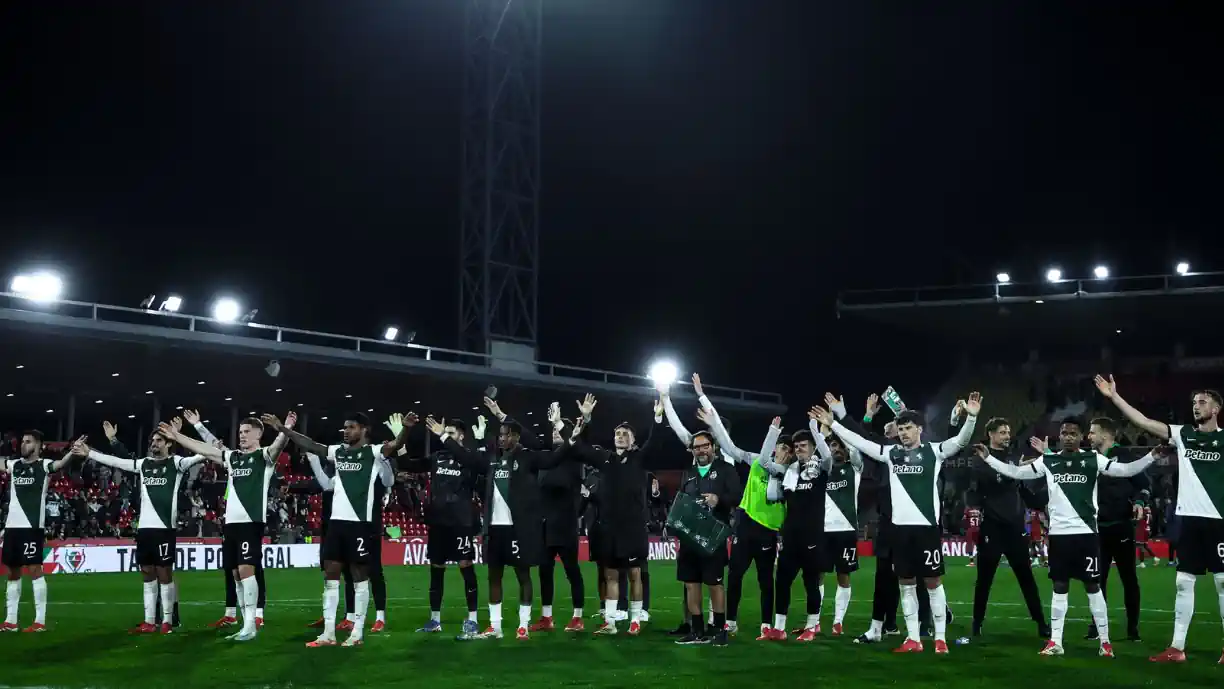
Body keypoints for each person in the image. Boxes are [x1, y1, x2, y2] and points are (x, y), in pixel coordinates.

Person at [974, 417, 1157, 657]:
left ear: (1080, 437)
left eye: (1073, 433)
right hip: (1059, 535)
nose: (1068, 437)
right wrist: (988, 458)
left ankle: (1105, 642)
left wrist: (1152, 456)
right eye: (1064, 433)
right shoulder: (1048, 460)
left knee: (1094, 586)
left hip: (1087, 534)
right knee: (1059, 587)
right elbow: (1017, 472)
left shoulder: (1093, 459)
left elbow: (1125, 470)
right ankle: (1056, 642)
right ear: (1059, 437)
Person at [824, 391, 981, 654]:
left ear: (919, 429)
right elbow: (860, 442)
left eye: (908, 428)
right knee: (905, 584)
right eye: (901, 428)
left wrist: (972, 419)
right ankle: (913, 639)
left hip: (927, 530)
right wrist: (835, 424)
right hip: (899, 531)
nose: (904, 432)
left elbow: (961, 441)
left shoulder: (935, 451)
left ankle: (939, 639)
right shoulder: (890, 453)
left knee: (933, 583)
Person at [1094, 376, 1224, 664]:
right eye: (1193, 403)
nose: (1196, 406)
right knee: (1183, 582)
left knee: (1222, 583)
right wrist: (1115, 397)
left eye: (1202, 402)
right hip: (1189, 520)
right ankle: (1177, 648)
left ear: (1216, 409)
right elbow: (1143, 422)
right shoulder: (1183, 433)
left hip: (1218, 520)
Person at [670, 373, 787, 640]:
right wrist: (689, 399)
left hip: (746, 529)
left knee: (746, 580)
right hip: (725, 529)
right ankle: (709, 626)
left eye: (709, 440)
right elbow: (717, 441)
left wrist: (705, 401)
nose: (703, 447)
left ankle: (746, 625)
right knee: (710, 580)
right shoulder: (694, 469)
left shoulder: (775, 470)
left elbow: (729, 452)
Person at [272, 412, 402, 647]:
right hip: (337, 523)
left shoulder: (372, 453)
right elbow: (311, 445)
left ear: (364, 430)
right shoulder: (338, 452)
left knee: (360, 578)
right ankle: (328, 633)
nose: (345, 431)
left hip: (360, 524)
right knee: (331, 576)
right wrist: (285, 430)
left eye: (351, 427)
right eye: (344, 427)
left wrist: (407, 429)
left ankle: (357, 633)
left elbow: (395, 446)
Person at [72, 425, 207, 634]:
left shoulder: (177, 463)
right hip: (144, 529)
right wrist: (90, 453)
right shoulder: (143, 464)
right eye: (152, 441)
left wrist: (204, 441)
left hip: (165, 529)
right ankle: (149, 621)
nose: (154, 444)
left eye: (159, 441)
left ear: (169, 443)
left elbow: (202, 454)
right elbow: (117, 461)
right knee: (147, 574)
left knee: (165, 574)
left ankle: (168, 622)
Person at [451, 402, 565, 641]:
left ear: (514, 436)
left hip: (519, 529)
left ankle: (523, 625)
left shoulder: (528, 458)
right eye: (499, 436)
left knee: (523, 575)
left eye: (505, 435)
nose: (501, 439)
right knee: (494, 576)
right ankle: (495, 626)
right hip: (494, 530)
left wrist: (569, 436)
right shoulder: (491, 460)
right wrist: (444, 437)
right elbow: (466, 457)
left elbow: (554, 458)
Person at [566, 394, 660, 636]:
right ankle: (610, 622)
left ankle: (636, 619)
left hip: (633, 527)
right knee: (610, 574)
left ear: (633, 440)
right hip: (609, 527)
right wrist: (585, 419)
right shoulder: (605, 459)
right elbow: (579, 448)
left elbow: (656, 441)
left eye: (625, 434)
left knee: (635, 574)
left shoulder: (640, 459)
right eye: (617, 433)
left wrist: (658, 418)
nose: (620, 436)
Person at [393, 413, 487, 638]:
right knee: (436, 571)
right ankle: (435, 619)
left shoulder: (469, 459)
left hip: (461, 523)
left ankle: (472, 620)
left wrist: (474, 441)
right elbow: (407, 464)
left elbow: (481, 465)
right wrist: (400, 437)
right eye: (446, 434)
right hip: (438, 522)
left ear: (461, 436)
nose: (446, 437)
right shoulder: (437, 457)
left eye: (451, 433)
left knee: (466, 568)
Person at [963, 415, 1049, 638]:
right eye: (1002, 432)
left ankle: (1041, 622)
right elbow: (977, 490)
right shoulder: (980, 460)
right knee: (984, 579)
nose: (1007, 436)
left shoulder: (1013, 457)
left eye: (1008, 432)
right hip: (992, 528)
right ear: (991, 434)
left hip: (1015, 528)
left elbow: (1020, 486)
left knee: (1026, 578)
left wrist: (1037, 499)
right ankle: (977, 623)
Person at [670, 417, 753, 646]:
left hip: (713, 537)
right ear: (693, 451)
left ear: (713, 447)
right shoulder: (688, 473)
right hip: (689, 537)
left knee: (715, 583)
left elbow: (738, 497)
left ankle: (718, 629)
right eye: (697, 447)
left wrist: (719, 499)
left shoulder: (726, 470)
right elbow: (681, 501)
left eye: (705, 446)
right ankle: (697, 629)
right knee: (690, 583)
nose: (701, 450)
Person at [182, 411, 268, 630]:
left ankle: (257, 614)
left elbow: (214, 446)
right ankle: (233, 614)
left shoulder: (260, 459)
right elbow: (212, 446)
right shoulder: (233, 458)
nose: (241, 435)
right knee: (232, 570)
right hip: (231, 518)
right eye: (240, 432)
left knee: (252, 568)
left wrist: (198, 426)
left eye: (246, 431)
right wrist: (197, 425)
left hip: (251, 517)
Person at [299, 447, 391, 633]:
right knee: (347, 572)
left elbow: (389, 481)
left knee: (373, 571)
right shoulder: (344, 475)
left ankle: (379, 617)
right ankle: (349, 616)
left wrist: (385, 459)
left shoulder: (375, 472)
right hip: (340, 525)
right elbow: (325, 485)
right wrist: (314, 460)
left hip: (369, 527)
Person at [1085, 416, 1151, 642]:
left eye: (1092, 432)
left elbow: (1143, 485)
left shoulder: (1124, 456)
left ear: (1105, 435)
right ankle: (1096, 627)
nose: (1089, 436)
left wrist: (1140, 503)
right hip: (1097, 529)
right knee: (1096, 580)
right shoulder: (1089, 459)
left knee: (1128, 579)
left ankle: (1133, 629)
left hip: (1121, 526)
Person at [1, 430, 73, 632]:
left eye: (28, 441)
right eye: (22, 441)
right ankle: (11, 621)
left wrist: (71, 453)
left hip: (32, 526)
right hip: (12, 527)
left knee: (34, 570)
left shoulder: (43, 465)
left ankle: (39, 621)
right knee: (13, 572)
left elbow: (59, 465)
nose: (23, 444)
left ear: (39, 445)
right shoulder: (14, 465)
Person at [526, 404, 587, 634]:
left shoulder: (574, 458)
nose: (553, 434)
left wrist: (561, 424)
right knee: (544, 571)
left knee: (572, 570)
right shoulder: (546, 459)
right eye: (551, 431)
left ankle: (578, 616)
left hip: (565, 524)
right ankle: (547, 617)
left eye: (557, 431)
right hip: (544, 525)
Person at [771, 418, 832, 642]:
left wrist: (816, 431)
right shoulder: (791, 471)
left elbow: (827, 456)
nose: (798, 449)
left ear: (813, 446)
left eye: (803, 445)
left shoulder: (822, 469)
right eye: (796, 447)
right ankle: (779, 628)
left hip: (813, 535)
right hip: (791, 536)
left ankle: (811, 625)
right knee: (783, 581)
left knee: (811, 582)